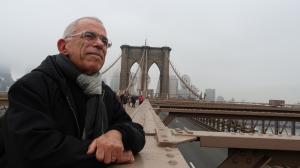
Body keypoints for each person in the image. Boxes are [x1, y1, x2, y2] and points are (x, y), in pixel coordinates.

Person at [1, 16, 145, 168]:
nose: (99, 44)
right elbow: (32, 150)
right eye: (89, 36)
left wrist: (118, 134)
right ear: (63, 46)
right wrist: (105, 156)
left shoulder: (104, 93)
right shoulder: (31, 86)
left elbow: (137, 132)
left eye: (104, 41)